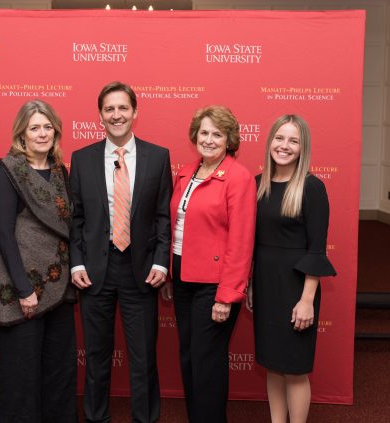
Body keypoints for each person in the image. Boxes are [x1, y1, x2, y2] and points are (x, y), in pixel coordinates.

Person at [69, 81, 172, 423]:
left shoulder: (158, 157)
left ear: (135, 113)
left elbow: (162, 216)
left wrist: (161, 260)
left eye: (123, 108)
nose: (117, 115)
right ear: (100, 115)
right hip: (95, 271)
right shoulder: (81, 159)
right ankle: (96, 418)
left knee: (143, 358)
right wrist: (76, 262)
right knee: (96, 357)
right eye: (109, 109)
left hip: (141, 271)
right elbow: (76, 218)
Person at [0, 100, 78, 422]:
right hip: (20, 288)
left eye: (48, 127)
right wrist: (24, 290)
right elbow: (4, 235)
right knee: (19, 374)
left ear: (56, 131)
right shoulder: (8, 171)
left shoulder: (62, 171)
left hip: (59, 287)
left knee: (59, 370)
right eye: (34, 127)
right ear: (21, 133)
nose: (42, 133)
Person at [168, 105, 256, 423]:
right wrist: (170, 275)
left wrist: (227, 294)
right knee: (190, 357)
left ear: (229, 139)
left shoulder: (238, 177)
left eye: (217, 134)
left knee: (206, 362)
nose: (208, 139)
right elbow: (177, 227)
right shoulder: (187, 171)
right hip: (182, 277)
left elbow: (242, 240)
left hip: (214, 284)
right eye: (203, 132)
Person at [247, 115, 336, 423]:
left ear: (303, 148)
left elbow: (316, 250)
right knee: (272, 364)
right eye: (279, 138)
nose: (284, 146)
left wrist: (307, 299)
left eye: (293, 141)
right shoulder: (257, 185)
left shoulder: (312, 188)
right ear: (270, 141)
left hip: (297, 288)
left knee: (295, 369)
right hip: (266, 284)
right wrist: (251, 284)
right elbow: (252, 243)